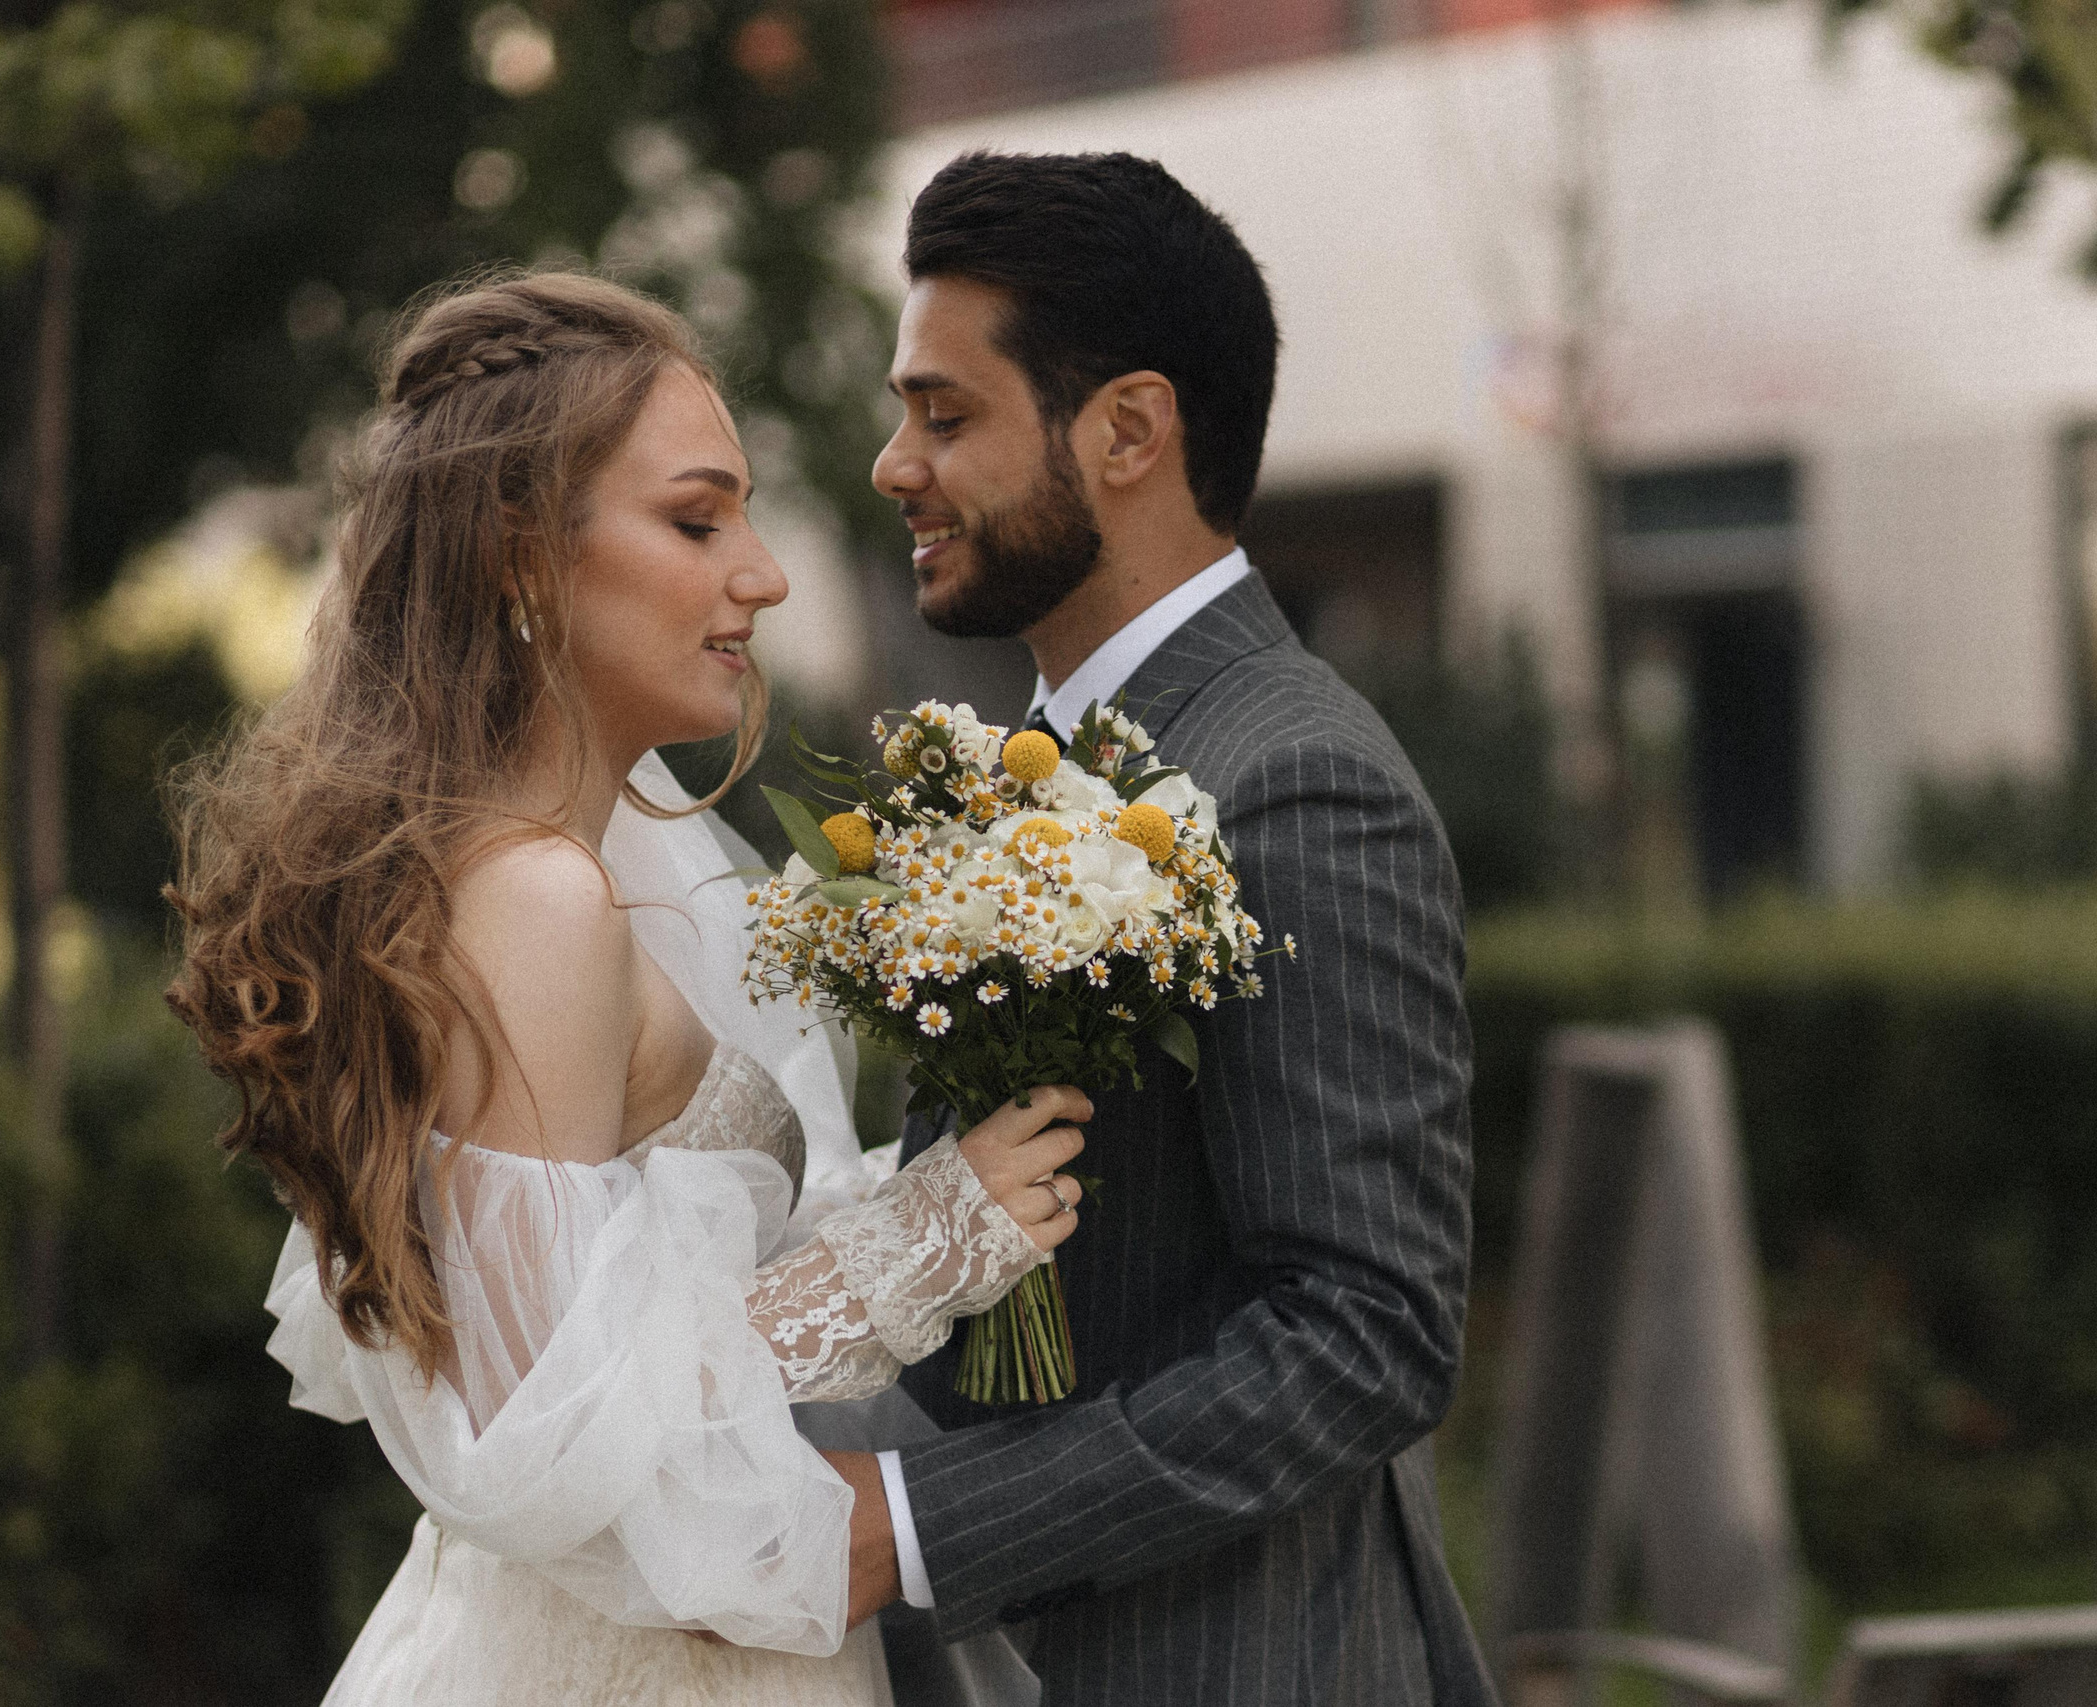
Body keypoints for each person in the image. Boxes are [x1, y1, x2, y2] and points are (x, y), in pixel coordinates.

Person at [163, 270, 1093, 1707]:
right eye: (697, 521)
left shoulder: (586, 858)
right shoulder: (537, 899)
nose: (763, 576)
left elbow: (635, 1317)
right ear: (521, 557)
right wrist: (922, 1248)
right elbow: (552, 1441)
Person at [850, 151, 1501, 1705]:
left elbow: (1369, 1332)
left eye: (946, 416)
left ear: (1128, 430)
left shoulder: (1297, 780)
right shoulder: (1056, 760)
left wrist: (922, 1529)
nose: (894, 465)